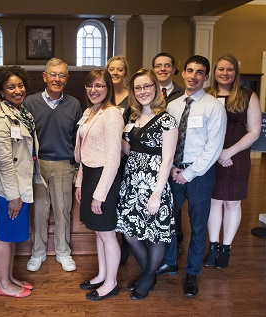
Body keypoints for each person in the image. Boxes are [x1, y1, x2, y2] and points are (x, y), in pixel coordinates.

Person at [156, 55, 227, 297]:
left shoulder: (214, 107)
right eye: (189, 71)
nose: (193, 76)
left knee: (198, 227)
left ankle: (192, 274)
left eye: (199, 72)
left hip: (200, 176)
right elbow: (167, 140)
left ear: (206, 77)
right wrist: (174, 170)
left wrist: (188, 173)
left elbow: (214, 147)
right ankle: (170, 262)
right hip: (174, 173)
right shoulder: (173, 105)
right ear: (183, 73)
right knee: (168, 221)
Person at [116, 69, 178, 300]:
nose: (143, 91)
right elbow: (132, 150)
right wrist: (115, 135)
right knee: (130, 233)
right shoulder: (133, 118)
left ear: (156, 89)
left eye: (147, 86)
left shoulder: (166, 120)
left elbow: (168, 159)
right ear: (133, 92)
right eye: (138, 88)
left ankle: (148, 277)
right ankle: (149, 274)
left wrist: (156, 194)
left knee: (155, 235)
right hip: (132, 183)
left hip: (154, 184)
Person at [0, 66, 46, 298]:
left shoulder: (22, 113)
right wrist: (13, 196)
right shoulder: (1, 120)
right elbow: (4, 162)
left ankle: (8, 277)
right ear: (1, 91)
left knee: (11, 237)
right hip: (9, 189)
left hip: (22, 185)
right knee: (5, 235)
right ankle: (2, 284)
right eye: (11, 86)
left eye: (20, 85)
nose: (17, 90)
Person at [204, 54, 261, 269]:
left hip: (237, 154)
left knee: (232, 202)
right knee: (214, 201)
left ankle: (226, 248)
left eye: (229, 69)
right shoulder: (207, 94)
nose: (224, 73)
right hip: (210, 154)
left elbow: (254, 131)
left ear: (235, 72)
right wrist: (217, 153)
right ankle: (214, 246)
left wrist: (229, 152)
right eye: (221, 69)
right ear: (214, 72)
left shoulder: (248, 95)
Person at [24, 58, 82, 272]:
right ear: (45, 77)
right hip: (38, 165)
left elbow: (77, 138)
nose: (57, 79)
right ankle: (37, 252)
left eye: (61, 75)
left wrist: (77, 167)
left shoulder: (74, 104)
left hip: (63, 165)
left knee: (62, 211)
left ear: (66, 79)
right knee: (39, 211)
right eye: (53, 74)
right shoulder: (30, 103)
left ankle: (63, 252)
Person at [75, 69, 124, 301]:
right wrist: (80, 183)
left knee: (107, 233)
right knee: (98, 231)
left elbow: (114, 158)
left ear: (108, 89)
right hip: (90, 175)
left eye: (99, 86)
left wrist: (100, 194)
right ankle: (102, 274)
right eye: (90, 86)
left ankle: (111, 283)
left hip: (105, 177)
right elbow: (85, 151)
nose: (94, 90)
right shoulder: (90, 111)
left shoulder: (112, 114)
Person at [152, 52, 185, 256]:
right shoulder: (147, 93)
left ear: (174, 69)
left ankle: (175, 244)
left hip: (173, 158)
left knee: (172, 205)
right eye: (158, 66)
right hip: (150, 157)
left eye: (167, 65)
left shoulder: (183, 94)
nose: (162, 69)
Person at [106, 55, 132, 266]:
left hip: (125, 157)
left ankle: (124, 246)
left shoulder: (132, 98)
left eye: (119, 70)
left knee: (123, 202)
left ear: (126, 73)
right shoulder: (101, 95)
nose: (115, 73)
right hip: (104, 158)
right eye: (111, 69)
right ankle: (110, 243)